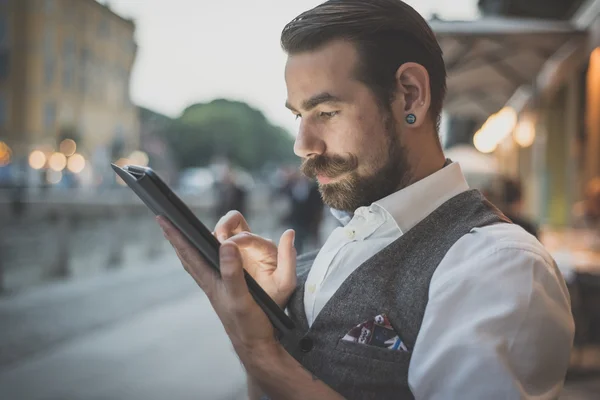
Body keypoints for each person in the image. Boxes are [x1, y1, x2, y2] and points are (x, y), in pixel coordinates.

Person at [157, 1, 574, 398]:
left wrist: (256, 347)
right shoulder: (340, 241)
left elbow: (267, 365)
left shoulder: (500, 267)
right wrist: (269, 315)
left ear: (410, 96)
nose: (303, 145)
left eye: (327, 112)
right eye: (298, 116)